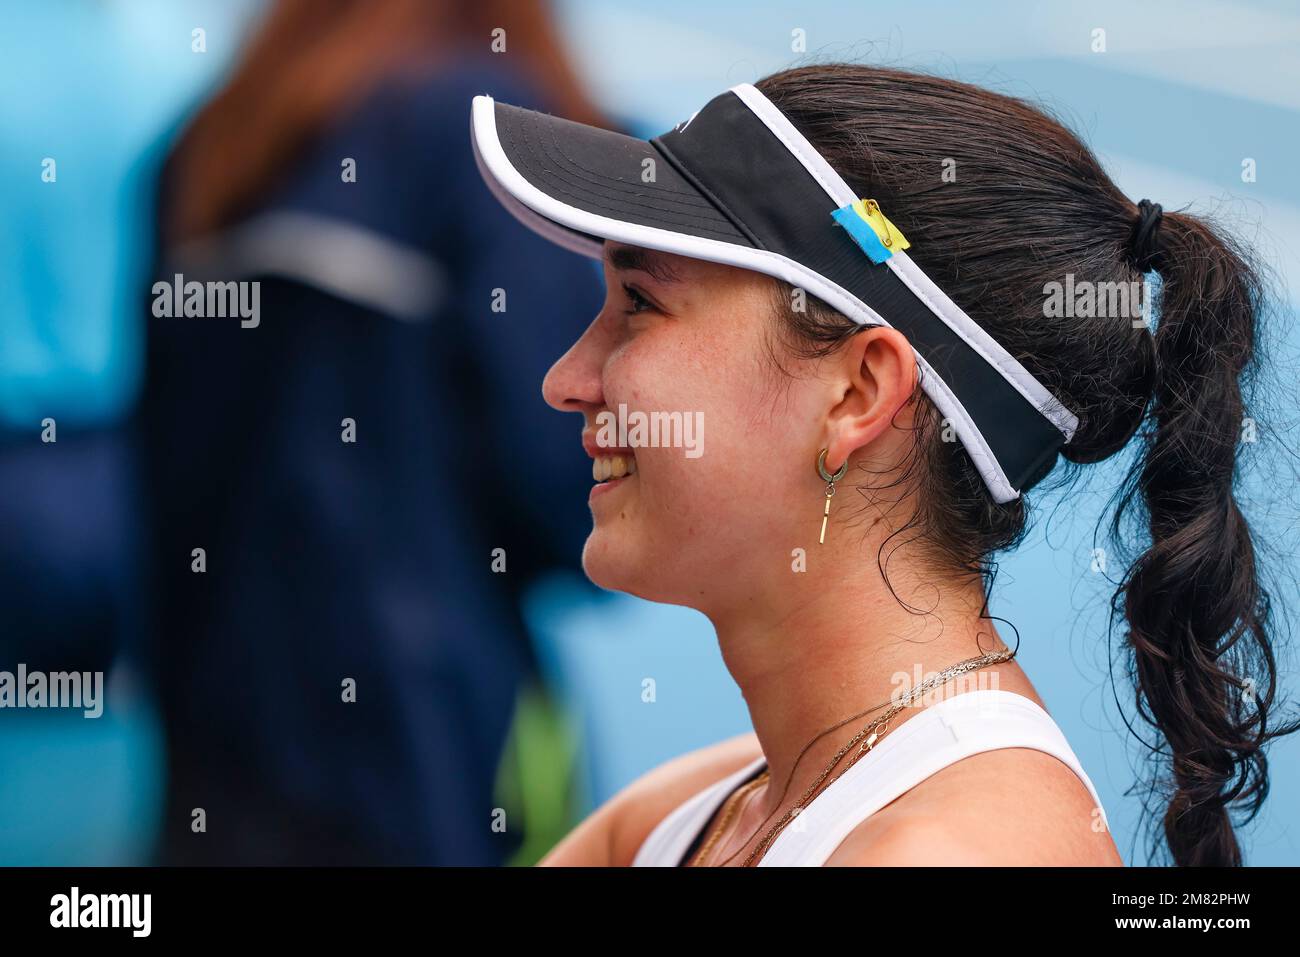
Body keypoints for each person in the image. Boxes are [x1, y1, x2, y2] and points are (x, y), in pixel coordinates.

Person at [468, 63, 1298, 866]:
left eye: (641, 304)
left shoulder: (950, 854)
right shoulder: (688, 817)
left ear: (859, 391)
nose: (564, 382)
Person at [136, 0, 606, 864]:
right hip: (426, 743)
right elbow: (565, 480)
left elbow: (162, 468)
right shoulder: (488, 137)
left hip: (220, 730)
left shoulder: (209, 145)